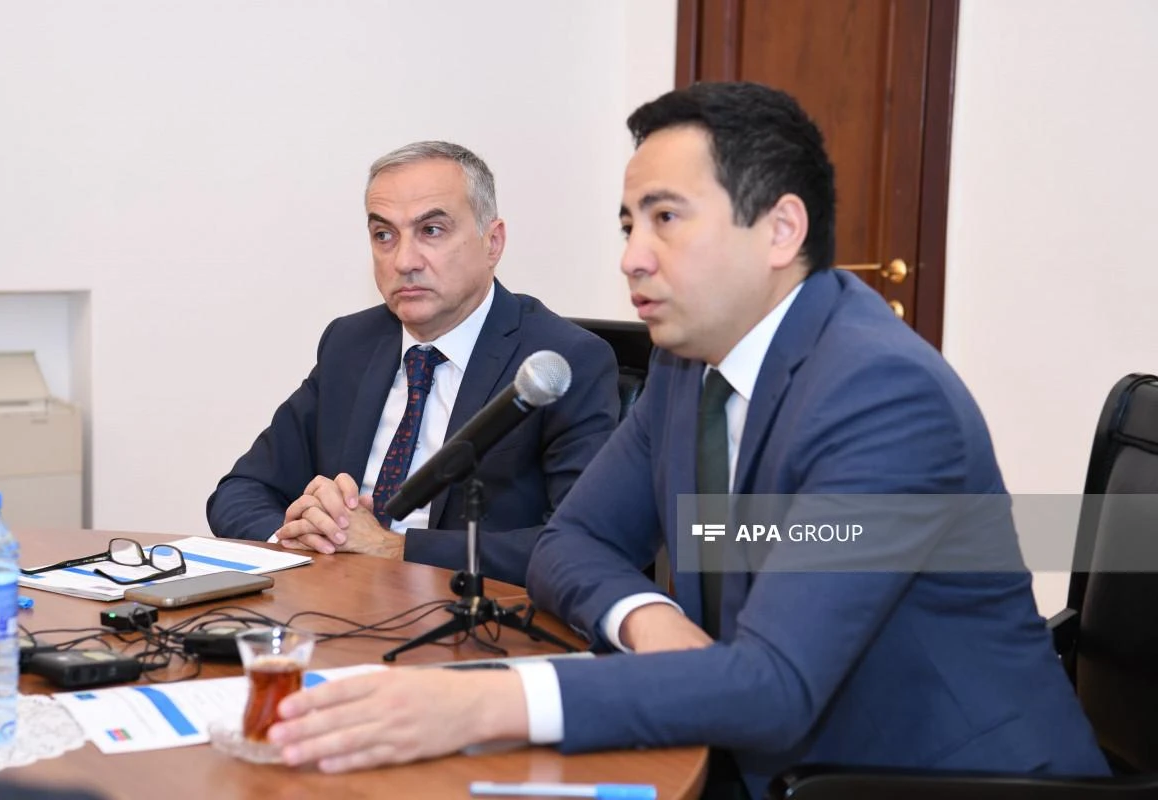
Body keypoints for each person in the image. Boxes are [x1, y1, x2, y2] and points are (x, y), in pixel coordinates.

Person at [261, 84, 1110, 795]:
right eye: (628, 224)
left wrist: (483, 701)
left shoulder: (882, 394)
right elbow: (572, 541)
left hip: (930, 776)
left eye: (666, 218)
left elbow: (775, 686)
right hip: (752, 751)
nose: (633, 257)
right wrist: (651, 617)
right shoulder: (686, 365)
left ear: (781, 230)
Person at [206, 141, 620, 587]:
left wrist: (393, 549)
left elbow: (582, 544)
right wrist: (306, 542)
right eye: (384, 236)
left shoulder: (559, 363)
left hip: (466, 612)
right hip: (336, 600)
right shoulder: (351, 343)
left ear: (493, 242)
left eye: (432, 230)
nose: (403, 261)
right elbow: (239, 491)